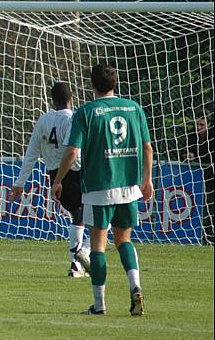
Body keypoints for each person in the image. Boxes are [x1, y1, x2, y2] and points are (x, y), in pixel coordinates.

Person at [51, 64, 153, 316]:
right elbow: (148, 148)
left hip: (99, 188)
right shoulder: (134, 108)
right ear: (115, 83)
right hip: (129, 187)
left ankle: (99, 305)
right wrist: (147, 181)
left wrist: (58, 179)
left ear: (92, 84)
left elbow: (73, 151)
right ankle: (136, 286)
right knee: (124, 240)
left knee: (98, 244)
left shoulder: (86, 112)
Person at [9, 82, 90, 278]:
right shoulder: (74, 118)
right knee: (93, 215)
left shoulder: (44, 120)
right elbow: (75, 152)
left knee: (81, 215)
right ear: (72, 98)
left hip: (55, 175)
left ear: (52, 100)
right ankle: (78, 259)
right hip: (75, 172)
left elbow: (31, 154)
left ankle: (82, 258)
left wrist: (20, 183)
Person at [185, 116, 214, 245]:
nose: (198, 128)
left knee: (210, 209)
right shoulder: (191, 137)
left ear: (209, 124)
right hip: (196, 178)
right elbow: (184, 153)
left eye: (202, 125)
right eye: (197, 124)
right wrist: (188, 156)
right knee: (198, 208)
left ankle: (209, 238)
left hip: (211, 178)